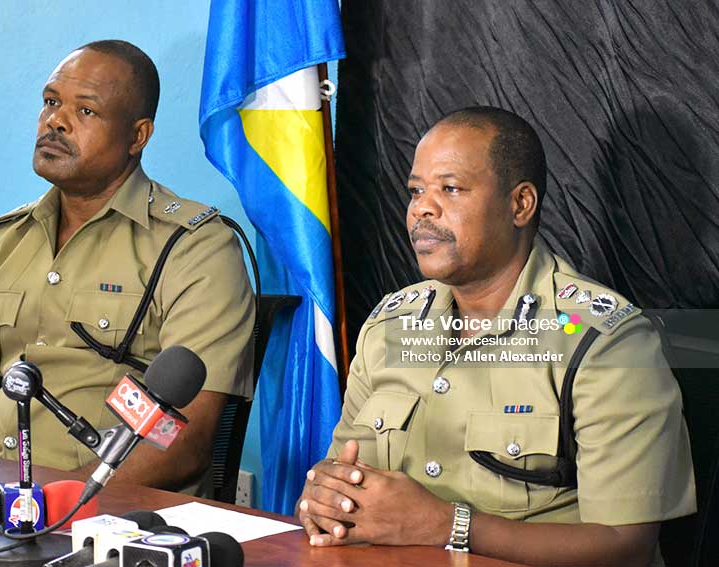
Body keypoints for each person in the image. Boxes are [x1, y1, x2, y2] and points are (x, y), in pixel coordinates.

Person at [296, 107, 695, 566]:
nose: (422, 208)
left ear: (519, 204)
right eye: (416, 191)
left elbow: (626, 546)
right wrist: (328, 498)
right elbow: (345, 484)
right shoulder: (391, 325)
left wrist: (447, 526)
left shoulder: (605, 342)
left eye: (450, 188)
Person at [0, 40, 255, 497]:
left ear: (138, 136)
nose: (55, 120)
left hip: (106, 517)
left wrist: (53, 506)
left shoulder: (195, 248)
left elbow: (183, 438)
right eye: (51, 102)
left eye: (86, 111)